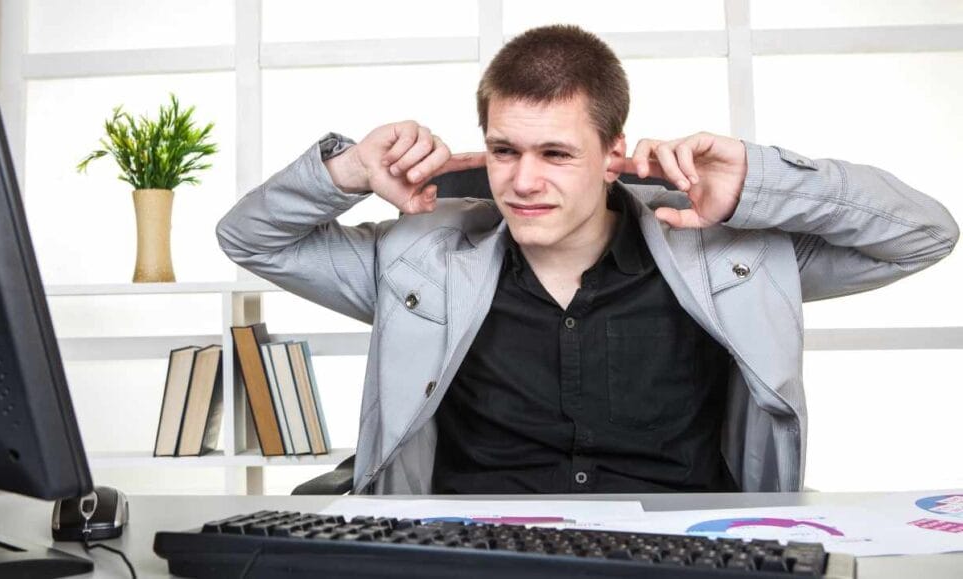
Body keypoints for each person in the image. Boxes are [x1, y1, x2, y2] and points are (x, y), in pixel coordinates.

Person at [216, 25, 958, 494]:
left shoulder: (730, 262)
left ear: (613, 154)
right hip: (471, 557)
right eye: (505, 150)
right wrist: (347, 169)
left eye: (556, 153)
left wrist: (758, 181)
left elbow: (923, 234)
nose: (523, 180)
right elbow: (251, 238)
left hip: (680, 556)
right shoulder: (419, 261)